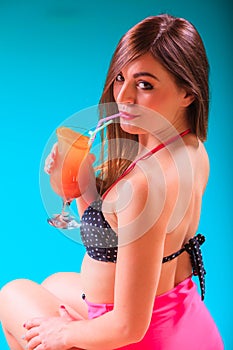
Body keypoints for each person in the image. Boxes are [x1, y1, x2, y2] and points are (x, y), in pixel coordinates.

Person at [0, 14, 224, 350]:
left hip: (143, 336)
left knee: (13, 294)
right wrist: (83, 184)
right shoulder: (189, 147)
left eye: (145, 84)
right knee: (56, 283)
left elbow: (127, 327)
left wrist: (63, 333)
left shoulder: (146, 185)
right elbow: (116, 239)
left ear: (187, 94)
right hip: (179, 315)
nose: (124, 97)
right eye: (121, 78)